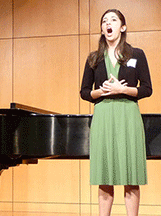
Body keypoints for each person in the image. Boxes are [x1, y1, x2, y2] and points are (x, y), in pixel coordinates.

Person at [80, 9, 152, 216]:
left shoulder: (136, 54)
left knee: (131, 176)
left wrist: (123, 90)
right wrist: (100, 92)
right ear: (102, 29)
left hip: (128, 115)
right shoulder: (94, 58)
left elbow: (147, 88)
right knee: (105, 176)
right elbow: (84, 92)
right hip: (103, 116)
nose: (107, 24)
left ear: (123, 27)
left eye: (113, 20)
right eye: (104, 21)